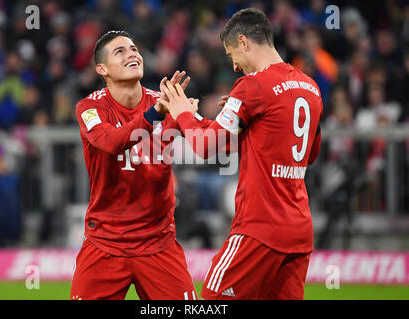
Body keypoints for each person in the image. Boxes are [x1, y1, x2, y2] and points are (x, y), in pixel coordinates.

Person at [159, 8, 323, 299]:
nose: (234, 65)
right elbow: (308, 155)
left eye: (231, 53)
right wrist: (242, 116)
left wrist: (183, 113)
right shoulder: (310, 87)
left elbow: (205, 146)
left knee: (210, 302)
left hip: (259, 229)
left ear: (245, 42)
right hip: (298, 230)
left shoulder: (253, 86)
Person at [70, 30, 206, 300]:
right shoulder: (90, 107)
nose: (132, 53)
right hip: (105, 244)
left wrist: (236, 116)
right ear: (102, 69)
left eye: (134, 49)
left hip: (158, 243)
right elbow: (110, 141)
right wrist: (154, 114)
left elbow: (209, 141)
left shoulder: (166, 100)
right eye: (119, 51)